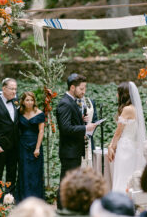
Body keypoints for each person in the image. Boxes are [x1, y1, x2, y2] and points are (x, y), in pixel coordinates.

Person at [56, 73, 97, 208]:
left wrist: (82, 121)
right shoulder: (65, 103)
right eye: (82, 88)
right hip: (69, 151)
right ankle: (62, 210)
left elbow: (71, 123)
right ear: (72, 87)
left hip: (73, 150)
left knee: (70, 182)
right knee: (66, 183)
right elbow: (66, 128)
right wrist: (85, 128)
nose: (84, 92)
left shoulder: (71, 102)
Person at [108, 81, 146, 193]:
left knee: (122, 174)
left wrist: (111, 147)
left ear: (123, 94)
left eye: (118, 93)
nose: (116, 95)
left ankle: (121, 198)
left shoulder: (127, 109)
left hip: (125, 146)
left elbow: (118, 133)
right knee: (128, 173)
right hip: (132, 146)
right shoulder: (135, 108)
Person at [16, 91, 45, 201]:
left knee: (35, 172)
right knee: (23, 171)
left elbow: (41, 131)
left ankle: (35, 198)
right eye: (27, 100)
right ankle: (23, 198)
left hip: (35, 145)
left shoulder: (40, 113)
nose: (29, 102)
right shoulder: (19, 112)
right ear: (23, 101)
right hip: (22, 145)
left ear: (34, 101)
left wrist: (37, 148)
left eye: (31, 100)